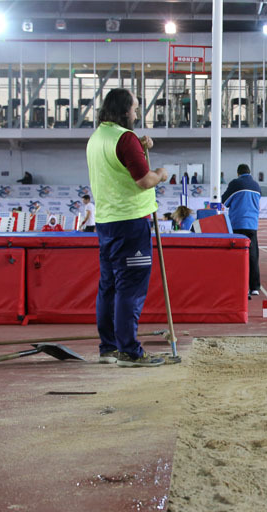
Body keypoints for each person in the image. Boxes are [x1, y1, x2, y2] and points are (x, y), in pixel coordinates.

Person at [86, 87, 169, 367]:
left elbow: (120, 165)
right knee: (129, 288)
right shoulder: (125, 138)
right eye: (134, 109)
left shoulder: (97, 138)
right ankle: (129, 352)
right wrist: (161, 173)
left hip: (106, 223)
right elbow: (144, 181)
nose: (136, 113)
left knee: (109, 286)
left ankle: (109, 348)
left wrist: (140, 150)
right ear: (124, 111)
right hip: (130, 223)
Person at [221, 163, 262, 297]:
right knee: (253, 256)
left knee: (239, 256)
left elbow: (224, 201)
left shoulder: (235, 183)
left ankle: (240, 286)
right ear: (249, 172)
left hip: (238, 224)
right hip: (252, 225)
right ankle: (254, 287)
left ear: (238, 173)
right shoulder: (256, 186)